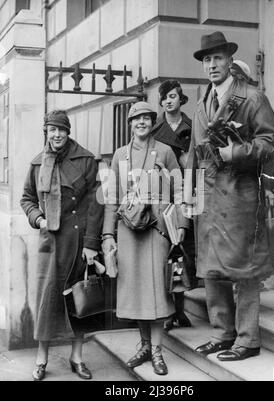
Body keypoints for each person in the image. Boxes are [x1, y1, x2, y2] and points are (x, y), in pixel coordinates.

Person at [185, 31, 274, 361]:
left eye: (218, 59)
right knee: (213, 269)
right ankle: (223, 333)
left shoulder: (251, 97)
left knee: (245, 268)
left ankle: (247, 339)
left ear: (229, 61)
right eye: (207, 60)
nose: (212, 65)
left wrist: (235, 153)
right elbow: (193, 155)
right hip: (210, 198)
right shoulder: (202, 103)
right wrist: (189, 193)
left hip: (241, 195)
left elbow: (271, 142)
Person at [102, 102, 189, 375]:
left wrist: (182, 223)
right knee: (137, 293)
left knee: (158, 292)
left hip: (157, 231)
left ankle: (157, 351)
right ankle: (143, 345)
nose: (142, 122)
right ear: (130, 123)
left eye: (147, 118)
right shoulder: (119, 155)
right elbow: (111, 198)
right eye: (136, 118)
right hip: (128, 233)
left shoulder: (164, 151)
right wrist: (107, 233)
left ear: (153, 122)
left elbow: (181, 188)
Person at [20, 110, 104, 380]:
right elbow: (27, 199)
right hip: (51, 243)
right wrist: (39, 219)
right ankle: (41, 358)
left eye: (61, 130)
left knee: (79, 300)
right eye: (52, 129)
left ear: (69, 132)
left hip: (79, 243)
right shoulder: (37, 164)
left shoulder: (86, 160)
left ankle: (77, 357)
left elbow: (95, 205)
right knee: (48, 302)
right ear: (46, 131)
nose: (56, 135)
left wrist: (92, 244)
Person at [152, 80, 197, 331]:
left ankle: (181, 309)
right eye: (164, 98)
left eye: (172, 96)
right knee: (165, 253)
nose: (168, 101)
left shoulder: (193, 126)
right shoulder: (155, 127)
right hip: (162, 195)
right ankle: (169, 311)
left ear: (181, 99)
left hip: (187, 193)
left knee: (182, 252)